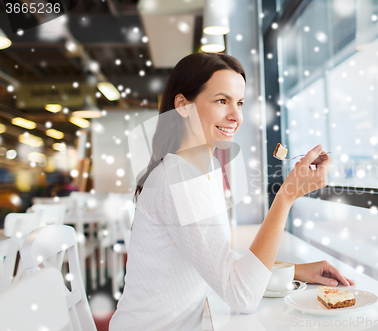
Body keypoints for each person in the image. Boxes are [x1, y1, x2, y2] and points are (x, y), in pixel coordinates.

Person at [109, 52, 355, 331]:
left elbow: (217, 262)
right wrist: (286, 195)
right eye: (221, 101)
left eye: (239, 102)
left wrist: (295, 271)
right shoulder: (177, 179)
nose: (236, 115)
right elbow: (242, 295)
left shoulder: (206, 167)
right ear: (183, 105)